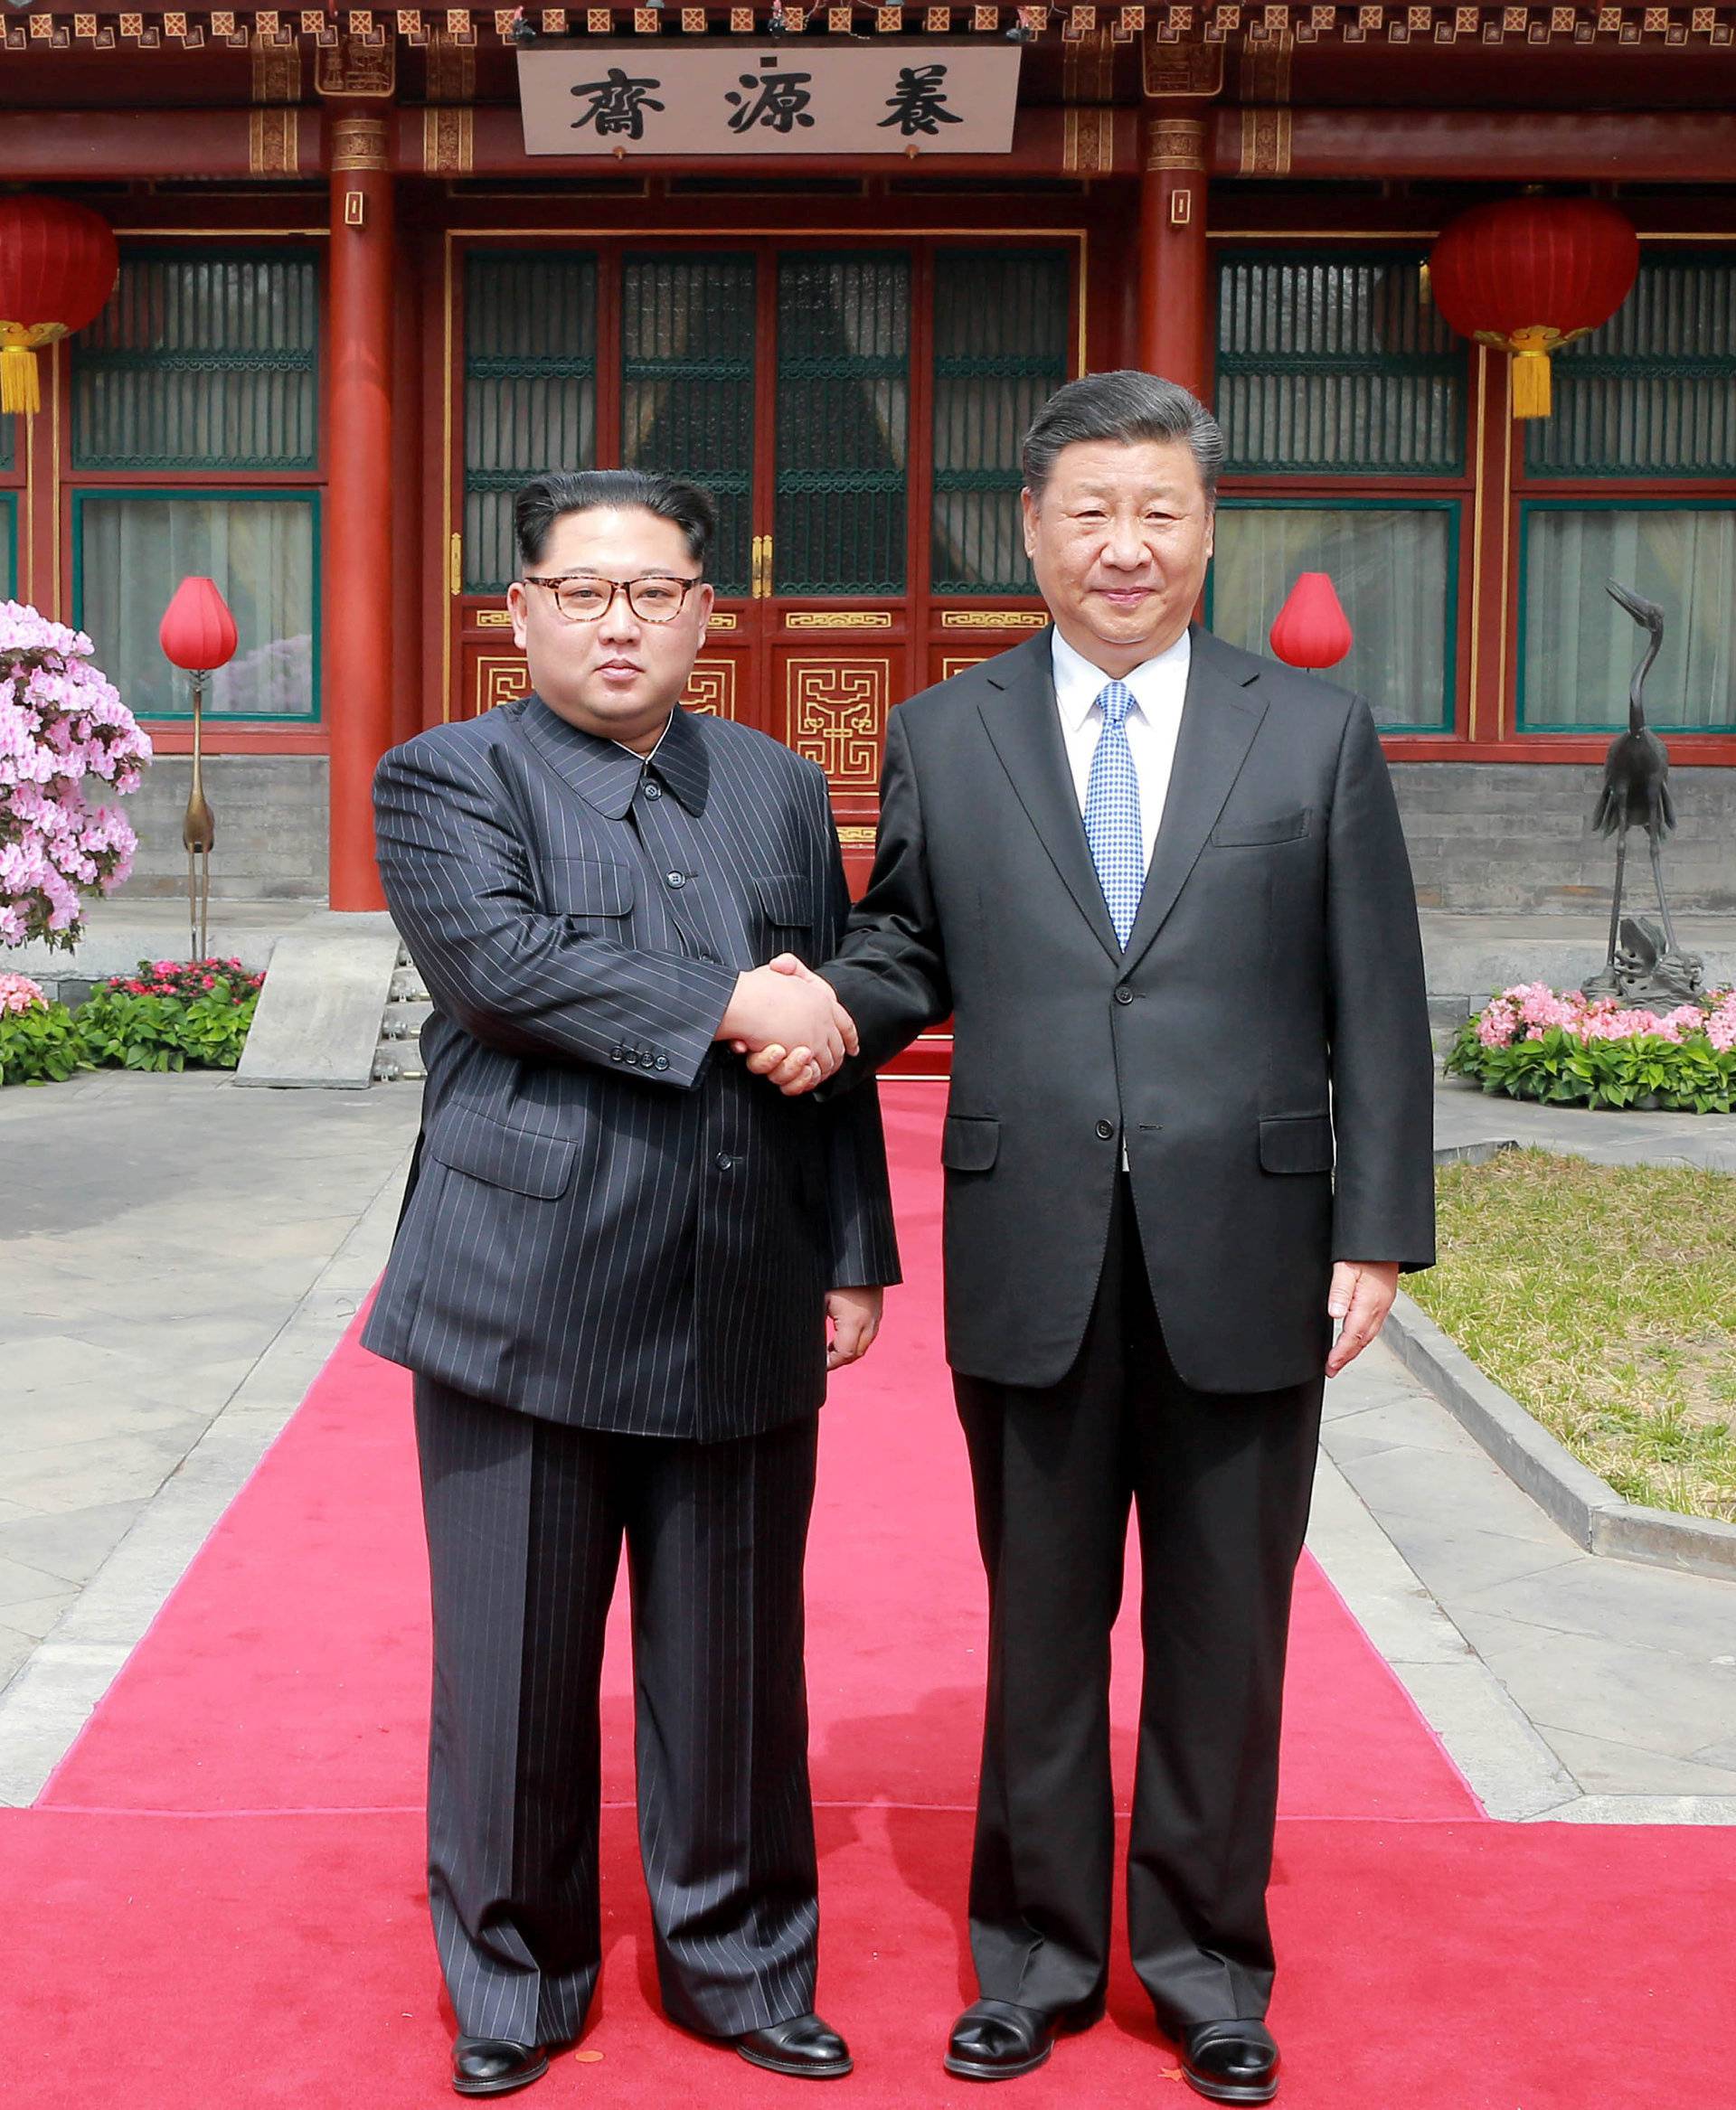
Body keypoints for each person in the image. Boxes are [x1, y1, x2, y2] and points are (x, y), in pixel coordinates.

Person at [753, 372, 1435, 2104]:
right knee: (1041, 1622)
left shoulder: (1312, 733)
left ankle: (1207, 1962)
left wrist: (1382, 1227)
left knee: (1229, 1624)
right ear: (1033, 532)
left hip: (1254, 1239)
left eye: (1160, 512)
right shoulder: (945, 729)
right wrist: (820, 1000)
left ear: (1209, 528)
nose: (1125, 547)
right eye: (1090, 513)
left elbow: (1381, 996)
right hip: (1032, 1233)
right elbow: (911, 943)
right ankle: (1036, 1958)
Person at [363, 468, 897, 2099]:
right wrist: (742, 997)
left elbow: (836, 1036)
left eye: (654, 590)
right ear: (516, 610)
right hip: (523, 1283)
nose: (619, 620)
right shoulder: (445, 777)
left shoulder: (783, 788)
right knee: (514, 1662)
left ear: (703, 614)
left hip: (742, 1268)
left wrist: (855, 1248)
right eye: (583, 589)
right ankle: (514, 1979)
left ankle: (739, 1962)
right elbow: (506, 965)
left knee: (734, 1662)